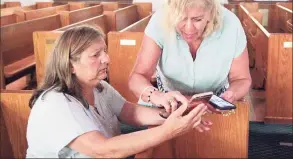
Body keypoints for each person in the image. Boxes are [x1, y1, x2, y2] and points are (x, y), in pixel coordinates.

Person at [26, 25, 212, 158]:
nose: (106, 58)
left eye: (104, 52)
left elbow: (129, 112)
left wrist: (177, 114)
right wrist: (168, 130)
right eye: (96, 55)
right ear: (70, 65)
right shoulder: (55, 103)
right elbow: (102, 150)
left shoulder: (99, 87)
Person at [128, 0, 252, 114]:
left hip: (214, 104)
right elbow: (137, 77)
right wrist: (156, 96)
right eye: (181, 19)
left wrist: (232, 94)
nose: (188, 28)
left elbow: (241, 78)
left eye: (197, 19)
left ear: (211, 13)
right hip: (168, 102)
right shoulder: (160, 21)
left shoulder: (231, 25)